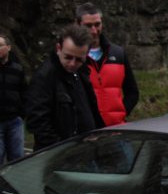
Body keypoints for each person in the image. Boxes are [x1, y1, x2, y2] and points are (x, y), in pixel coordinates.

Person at [26, 24, 104, 151]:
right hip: (61, 154)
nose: (73, 63)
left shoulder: (82, 72)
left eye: (79, 59)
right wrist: (65, 150)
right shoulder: (45, 77)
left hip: (86, 147)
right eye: (68, 57)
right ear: (58, 48)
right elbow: (38, 123)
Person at [75, 2, 139, 125]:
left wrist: (121, 113)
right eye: (88, 26)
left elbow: (132, 92)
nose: (94, 30)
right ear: (78, 24)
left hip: (116, 128)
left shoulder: (118, 53)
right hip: (87, 131)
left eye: (97, 24)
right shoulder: (74, 58)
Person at [0, 33, 26, 162]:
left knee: (17, 158)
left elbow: (24, 92)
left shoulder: (18, 69)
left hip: (15, 120)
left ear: (9, 47)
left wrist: (22, 113)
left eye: (0, 46)